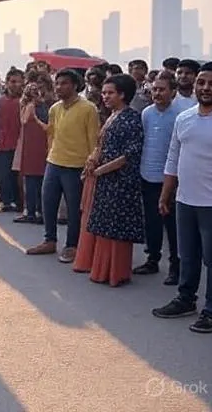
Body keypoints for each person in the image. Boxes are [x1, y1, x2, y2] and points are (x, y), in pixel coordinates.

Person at [152, 62, 212, 334]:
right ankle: (186, 299)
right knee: (186, 255)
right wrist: (166, 193)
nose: (205, 88)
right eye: (201, 83)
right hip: (185, 201)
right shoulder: (185, 118)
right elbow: (173, 158)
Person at [73, 74, 144, 287]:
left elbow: (130, 154)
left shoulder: (131, 118)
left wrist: (101, 170)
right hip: (105, 179)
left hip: (121, 181)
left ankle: (115, 272)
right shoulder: (113, 115)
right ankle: (101, 269)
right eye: (104, 93)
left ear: (123, 94)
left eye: (110, 93)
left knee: (115, 228)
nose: (105, 96)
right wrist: (93, 163)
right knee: (104, 226)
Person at [26, 69, 100, 263]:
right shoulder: (55, 108)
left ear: (75, 85)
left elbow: (94, 140)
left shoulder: (88, 108)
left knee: (74, 208)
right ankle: (49, 240)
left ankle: (71, 246)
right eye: (57, 83)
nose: (59, 87)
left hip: (76, 166)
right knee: (48, 203)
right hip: (54, 162)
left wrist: (90, 165)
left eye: (64, 83)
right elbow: (52, 133)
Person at [133, 72, 182, 284]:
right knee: (151, 222)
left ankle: (175, 267)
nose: (157, 93)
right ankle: (152, 259)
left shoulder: (181, 115)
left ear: (173, 91)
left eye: (162, 89)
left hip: (170, 179)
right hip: (147, 175)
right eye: (155, 89)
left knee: (172, 227)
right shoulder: (146, 113)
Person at [14, 77, 51, 224]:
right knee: (38, 180)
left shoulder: (32, 106)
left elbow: (23, 120)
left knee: (31, 181)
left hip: (32, 145)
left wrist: (25, 107)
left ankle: (31, 212)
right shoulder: (45, 106)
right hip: (38, 144)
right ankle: (39, 212)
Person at [0, 69, 23, 212]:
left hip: (19, 144)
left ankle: (18, 202)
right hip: (3, 143)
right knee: (2, 174)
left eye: (19, 82)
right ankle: (5, 200)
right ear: (7, 82)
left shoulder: (24, 102)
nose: (16, 85)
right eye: (13, 81)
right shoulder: (0, 100)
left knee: (16, 176)